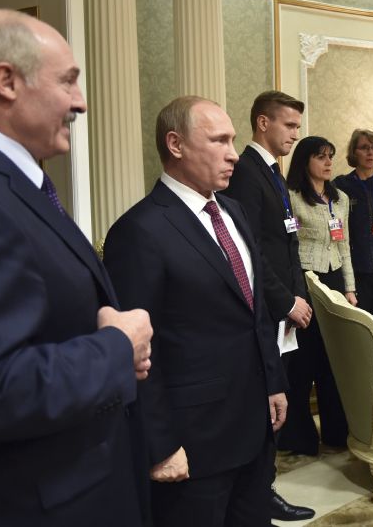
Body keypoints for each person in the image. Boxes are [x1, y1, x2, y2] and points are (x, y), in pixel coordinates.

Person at [0, 8, 152, 526]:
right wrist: (117, 348)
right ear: (6, 81)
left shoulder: (0, 181)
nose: (81, 101)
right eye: (68, 81)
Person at [103, 96, 288, 527]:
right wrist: (160, 444)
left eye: (234, 141)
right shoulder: (139, 231)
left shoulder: (235, 212)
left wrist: (273, 381)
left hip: (253, 430)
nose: (233, 154)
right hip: (191, 443)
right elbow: (135, 354)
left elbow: (253, 309)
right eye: (219, 140)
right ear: (176, 144)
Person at [220, 90, 315, 521]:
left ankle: (265, 487)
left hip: (284, 303)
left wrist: (299, 294)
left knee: (277, 399)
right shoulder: (246, 172)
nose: (296, 134)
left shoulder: (272, 172)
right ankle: (260, 492)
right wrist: (283, 300)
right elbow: (250, 247)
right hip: (266, 305)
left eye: (297, 126)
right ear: (263, 123)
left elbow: (287, 240)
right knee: (266, 404)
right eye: (289, 125)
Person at [285, 136, 353, 453]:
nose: (328, 162)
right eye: (320, 157)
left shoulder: (340, 199)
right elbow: (288, 247)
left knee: (334, 359)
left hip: (335, 280)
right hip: (306, 281)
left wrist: (350, 289)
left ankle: (337, 432)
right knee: (303, 360)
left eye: (331, 156)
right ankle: (299, 436)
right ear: (305, 160)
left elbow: (345, 246)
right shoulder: (292, 198)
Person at [333, 129, 373, 328]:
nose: (370, 153)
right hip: (355, 266)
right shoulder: (341, 185)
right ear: (354, 152)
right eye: (364, 148)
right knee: (360, 324)